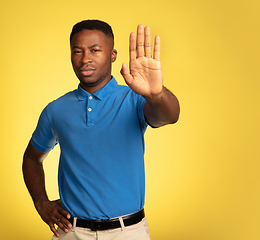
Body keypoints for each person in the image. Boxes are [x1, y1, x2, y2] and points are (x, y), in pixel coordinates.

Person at [23, 20, 180, 240]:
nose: (85, 59)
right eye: (77, 51)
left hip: (129, 232)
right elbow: (32, 158)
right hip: (72, 232)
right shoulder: (55, 110)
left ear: (113, 55)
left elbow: (169, 116)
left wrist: (156, 94)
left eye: (95, 50)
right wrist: (41, 202)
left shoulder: (133, 99)